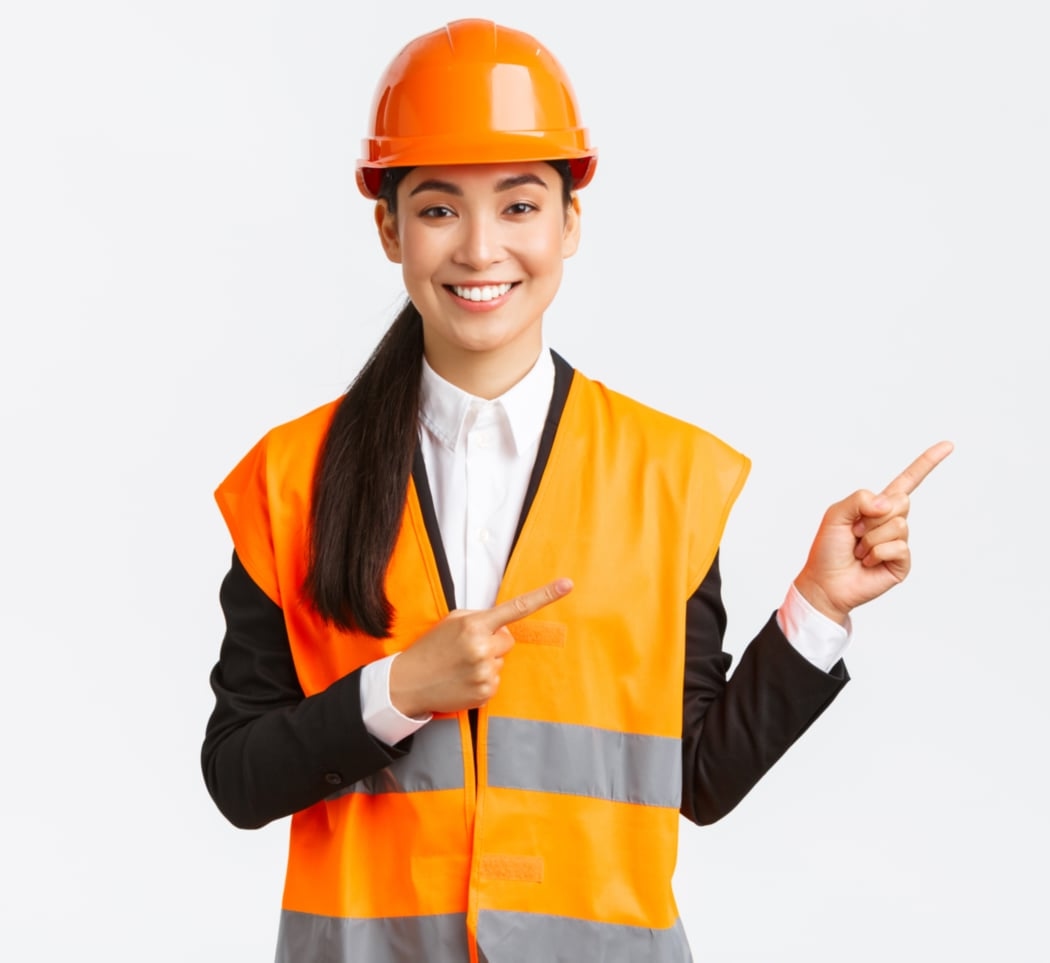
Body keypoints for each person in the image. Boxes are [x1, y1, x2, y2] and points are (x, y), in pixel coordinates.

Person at [199, 19, 950, 962]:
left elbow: (700, 778)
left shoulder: (668, 477)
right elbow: (237, 776)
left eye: (518, 206)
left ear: (569, 222)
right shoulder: (292, 480)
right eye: (438, 209)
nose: (480, 249)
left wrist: (819, 606)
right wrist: (398, 691)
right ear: (388, 226)